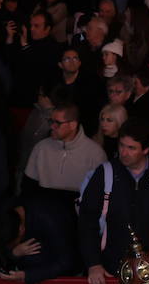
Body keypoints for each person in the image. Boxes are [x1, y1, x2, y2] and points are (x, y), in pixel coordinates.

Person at [20, 102, 108, 272]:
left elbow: (98, 200)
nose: (52, 126)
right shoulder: (41, 148)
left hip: (76, 226)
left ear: (73, 124)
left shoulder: (95, 153)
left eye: (57, 123)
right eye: (50, 121)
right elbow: (27, 188)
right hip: (42, 224)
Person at [78, 119, 149, 284]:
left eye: (131, 148)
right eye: (122, 146)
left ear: (146, 149)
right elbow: (87, 222)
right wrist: (93, 263)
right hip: (111, 267)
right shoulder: (105, 174)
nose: (124, 152)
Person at [0, 193, 82, 282]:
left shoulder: (50, 220)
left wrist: (27, 275)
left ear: (21, 230)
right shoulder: (4, 213)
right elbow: (2, 249)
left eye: (14, 244)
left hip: (71, 256)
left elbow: (66, 262)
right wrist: (14, 253)